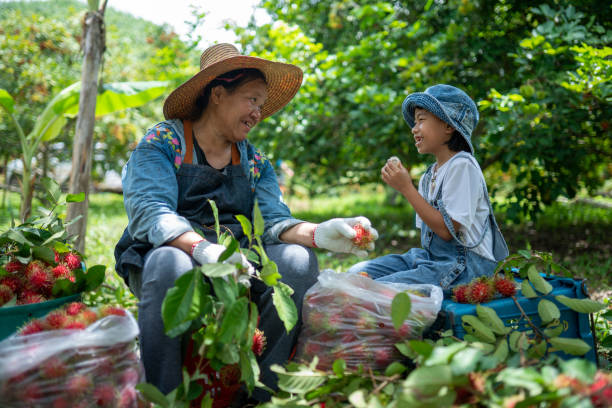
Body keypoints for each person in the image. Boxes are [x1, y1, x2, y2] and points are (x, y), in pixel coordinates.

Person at [113, 43, 378, 402]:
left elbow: (273, 221)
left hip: (238, 259)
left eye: (261, 104)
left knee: (298, 261)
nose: (257, 113)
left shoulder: (255, 163)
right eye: (251, 99)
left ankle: (260, 392)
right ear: (218, 94)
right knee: (169, 261)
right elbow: (149, 212)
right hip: (175, 254)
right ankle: (165, 394)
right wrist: (203, 248)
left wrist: (319, 234)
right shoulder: (163, 143)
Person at [348, 84, 508, 292]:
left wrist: (406, 188)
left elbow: (446, 231)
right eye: (414, 122)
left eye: (421, 120)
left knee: (378, 288)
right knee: (355, 274)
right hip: (432, 259)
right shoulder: (428, 176)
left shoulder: (463, 165)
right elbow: (430, 237)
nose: (414, 129)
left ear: (448, 127)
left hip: (467, 267)